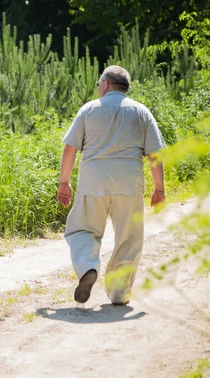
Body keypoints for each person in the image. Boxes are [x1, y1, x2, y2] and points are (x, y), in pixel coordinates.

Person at [57, 65, 166, 306]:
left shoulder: (89, 110)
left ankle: (87, 267)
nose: (98, 88)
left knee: (82, 229)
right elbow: (155, 154)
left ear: (106, 84)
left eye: (98, 84)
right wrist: (160, 189)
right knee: (129, 237)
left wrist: (64, 183)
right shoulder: (142, 112)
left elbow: (70, 149)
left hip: (93, 180)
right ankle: (119, 292)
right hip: (129, 182)